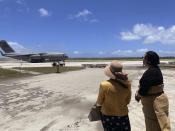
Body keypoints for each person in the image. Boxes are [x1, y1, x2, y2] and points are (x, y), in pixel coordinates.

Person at [135, 51, 171, 131]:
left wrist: (138, 94)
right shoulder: (156, 69)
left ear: (148, 60)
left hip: (153, 102)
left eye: (144, 58)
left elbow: (143, 90)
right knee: (163, 122)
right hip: (160, 98)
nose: (143, 59)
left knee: (153, 124)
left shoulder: (150, 72)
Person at [96, 60, 131, 131]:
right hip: (123, 115)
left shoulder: (104, 85)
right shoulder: (127, 84)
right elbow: (127, 101)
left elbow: (99, 102)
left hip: (107, 115)